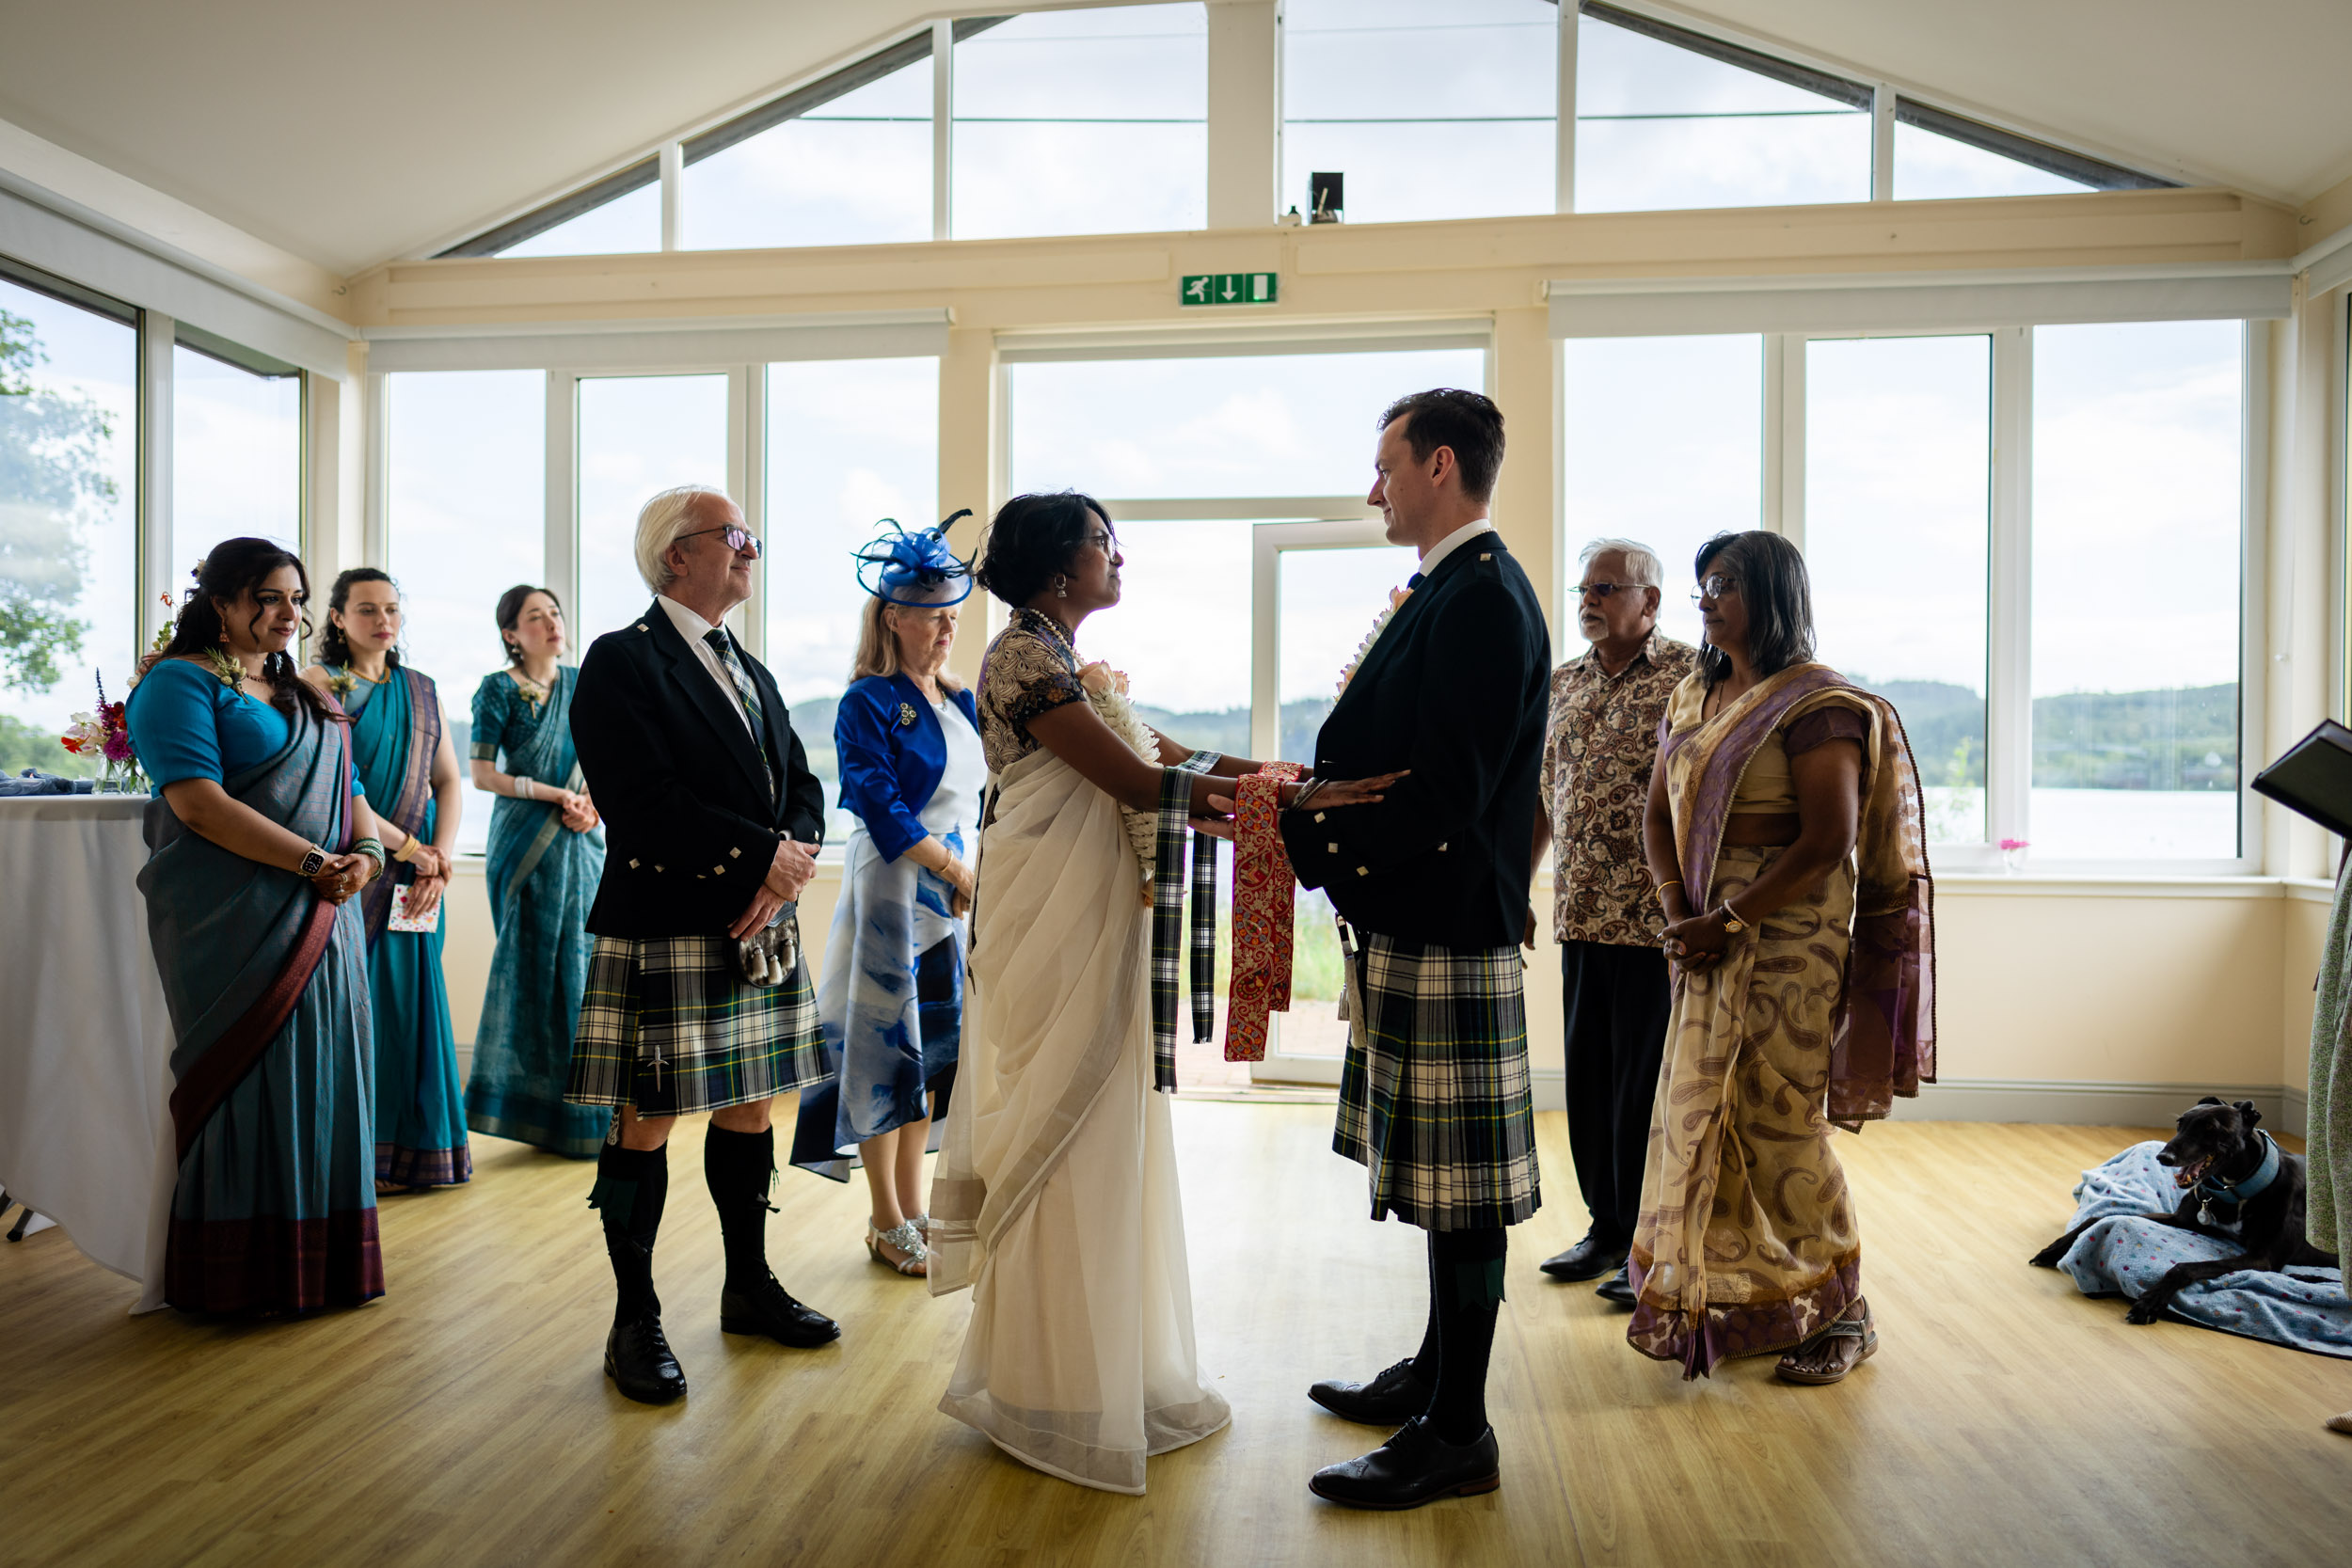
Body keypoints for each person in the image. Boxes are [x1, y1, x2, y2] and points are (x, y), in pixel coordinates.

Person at [927, 490, 1395, 1495]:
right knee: (1067, 1114)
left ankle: (1105, 1370)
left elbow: (1168, 755)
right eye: (1104, 542)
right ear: (1059, 564)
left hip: (1094, 913)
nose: (1119, 556)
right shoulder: (1021, 657)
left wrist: (1295, 781)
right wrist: (1289, 800)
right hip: (1050, 922)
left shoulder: (1064, 657)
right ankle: (1046, 1380)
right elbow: (1138, 786)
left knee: (1107, 1124)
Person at [1285, 389, 1549, 1511]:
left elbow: (1446, 795)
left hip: (1445, 919)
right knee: (1441, 1182)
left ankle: (1459, 1429)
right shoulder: (1452, 587)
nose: (1373, 487)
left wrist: (1302, 825)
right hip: (1422, 916)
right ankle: (1438, 1373)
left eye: (1384, 465)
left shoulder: (1482, 597)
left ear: (1439, 465)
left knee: (1463, 1193)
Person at [1632, 529, 1934, 1385]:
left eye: (1723, 582)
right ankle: (1744, 1297)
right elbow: (1657, 815)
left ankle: (1844, 1309)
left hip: (1784, 942)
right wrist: (1675, 906)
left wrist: (1726, 918)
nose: (1706, 599)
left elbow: (1829, 838)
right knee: (1706, 1118)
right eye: (1701, 585)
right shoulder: (1695, 692)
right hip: (1698, 936)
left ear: (1772, 593)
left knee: (1779, 1121)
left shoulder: (1816, 705)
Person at [564, 485, 834, 1405]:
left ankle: (746, 1284)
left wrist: (787, 859)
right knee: (643, 1119)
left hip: (756, 918)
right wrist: (763, 861)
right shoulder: (619, 661)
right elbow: (643, 800)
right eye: (737, 536)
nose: (751, 551)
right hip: (668, 916)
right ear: (678, 553)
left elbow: (800, 782)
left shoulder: (747, 667)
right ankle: (631, 1316)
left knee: (753, 1106)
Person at [124, 538, 387, 1314]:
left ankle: (326, 1266)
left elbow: (351, 786)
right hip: (231, 919)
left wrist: (366, 854)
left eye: (296, 599)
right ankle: (242, 1277)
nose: (289, 613)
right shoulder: (177, 685)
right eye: (270, 597)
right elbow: (199, 805)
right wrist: (316, 863)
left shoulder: (302, 692)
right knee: (252, 1080)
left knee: (327, 1075)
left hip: (327, 914)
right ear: (220, 599)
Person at [789, 520, 983, 1278]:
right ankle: (883, 1217)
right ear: (892, 616)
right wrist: (955, 872)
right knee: (882, 1052)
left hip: (947, 893)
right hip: (894, 889)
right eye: (933, 614)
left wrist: (965, 873)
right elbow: (877, 801)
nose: (947, 628)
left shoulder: (956, 698)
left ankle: (913, 1210)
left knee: (930, 1053)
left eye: (953, 616)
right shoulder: (865, 701)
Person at [1532, 540, 1696, 1304]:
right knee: (1590, 1084)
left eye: (1607, 588)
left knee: (1647, 1090)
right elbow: (1545, 794)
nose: (1589, 599)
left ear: (1651, 601)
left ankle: (1652, 1249)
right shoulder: (1563, 681)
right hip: (1582, 913)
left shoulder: (1691, 677)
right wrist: (1519, 887)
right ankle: (1604, 1228)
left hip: (1655, 921)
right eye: (1584, 588)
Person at [303, 568, 469, 1192]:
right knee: (358, 1001)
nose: (383, 619)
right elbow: (337, 780)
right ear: (338, 618)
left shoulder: (422, 690)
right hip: (359, 863)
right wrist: (406, 846)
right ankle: (354, 1154)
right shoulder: (319, 684)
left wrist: (441, 857)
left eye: (392, 608)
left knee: (412, 1004)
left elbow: (448, 780)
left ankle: (417, 1154)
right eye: (367, 608)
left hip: (422, 876)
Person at [465, 584, 608, 1159]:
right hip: (525, 842)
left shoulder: (584, 685)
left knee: (588, 961)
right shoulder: (496, 690)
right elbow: (480, 773)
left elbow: (603, 758)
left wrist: (591, 801)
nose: (551, 623)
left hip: (584, 837)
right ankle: (535, 1112)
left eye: (555, 613)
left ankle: (590, 1111)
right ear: (511, 634)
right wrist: (555, 795)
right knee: (533, 970)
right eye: (535, 616)